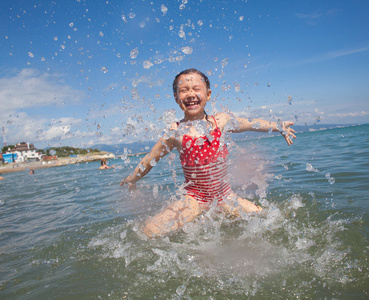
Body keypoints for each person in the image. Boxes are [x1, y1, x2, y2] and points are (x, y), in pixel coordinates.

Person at [120, 68, 296, 238]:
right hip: (194, 199)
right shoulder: (175, 132)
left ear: (208, 95)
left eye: (197, 89)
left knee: (270, 219)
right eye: (183, 90)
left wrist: (277, 126)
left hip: (226, 196)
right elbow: (150, 159)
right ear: (176, 98)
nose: (190, 94)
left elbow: (251, 123)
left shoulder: (220, 121)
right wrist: (131, 180)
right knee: (149, 231)